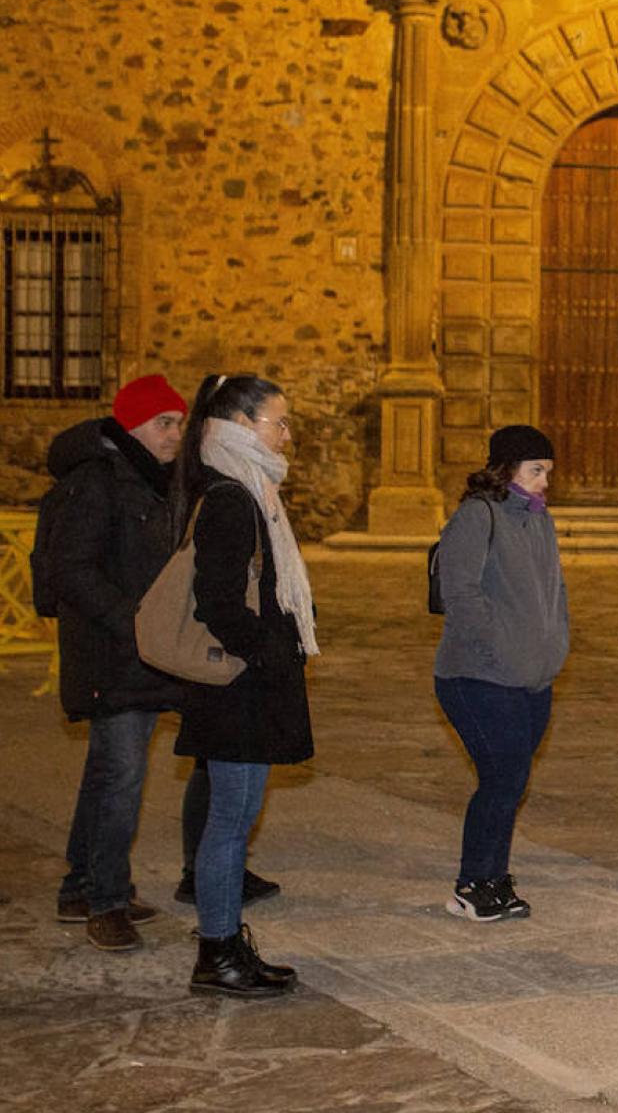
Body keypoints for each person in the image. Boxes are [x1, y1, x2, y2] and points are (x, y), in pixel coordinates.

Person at [171, 374, 315, 998]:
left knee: (238, 817)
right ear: (239, 423)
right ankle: (217, 952)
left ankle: (227, 944)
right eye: (277, 421)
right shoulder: (233, 496)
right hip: (236, 687)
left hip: (248, 685)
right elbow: (218, 603)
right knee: (229, 822)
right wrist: (268, 653)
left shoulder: (254, 490)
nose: (286, 434)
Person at [42, 375, 190, 951]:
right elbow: (69, 570)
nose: (176, 433)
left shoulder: (156, 482)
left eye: (179, 422)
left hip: (143, 654)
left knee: (107, 772)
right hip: (110, 653)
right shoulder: (98, 483)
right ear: (132, 426)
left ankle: (79, 886)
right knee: (122, 777)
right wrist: (135, 619)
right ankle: (106, 900)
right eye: (164, 423)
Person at [433, 425, 569, 921]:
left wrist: (556, 644)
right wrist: (505, 649)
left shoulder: (539, 520)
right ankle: (472, 883)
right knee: (502, 777)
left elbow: (554, 591)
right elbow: (462, 596)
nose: (544, 482)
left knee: (510, 780)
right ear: (506, 470)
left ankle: (494, 876)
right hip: (478, 677)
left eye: (548, 472)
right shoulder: (477, 517)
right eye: (536, 471)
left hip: (531, 679)